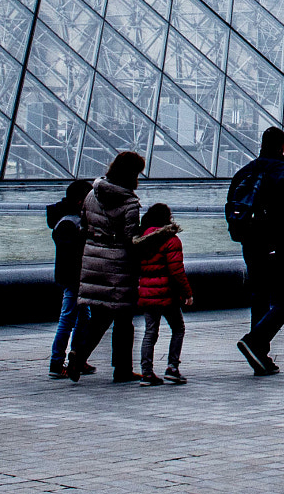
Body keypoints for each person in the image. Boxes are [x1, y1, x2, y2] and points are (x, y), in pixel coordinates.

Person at [229, 126, 284, 376]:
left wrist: (242, 237)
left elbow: (233, 207)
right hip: (279, 244)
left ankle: (259, 356)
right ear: (283, 146)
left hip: (251, 245)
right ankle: (255, 342)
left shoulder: (244, 172)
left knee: (260, 296)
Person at [68, 150, 149, 384]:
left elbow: (84, 225)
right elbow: (131, 238)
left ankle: (79, 353)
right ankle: (122, 369)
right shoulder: (130, 202)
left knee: (100, 317)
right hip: (119, 266)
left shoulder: (92, 194)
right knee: (124, 321)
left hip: (93, 261)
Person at [136, 202, 191, 385]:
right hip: (167, 294)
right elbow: (176, 271)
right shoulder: (171, 239)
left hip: (146, 292)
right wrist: (187, 293)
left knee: (150, 332)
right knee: (178, 328)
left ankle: (146, 373)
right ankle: (172, 368)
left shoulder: (142, 240)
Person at [46, 178, 92, 378]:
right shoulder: (70, 223)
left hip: (73, 277)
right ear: (80, 201)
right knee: (68, 319)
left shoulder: (65, 220)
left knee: (83, 317)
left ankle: (77, 359)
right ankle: (56, 363)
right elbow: (73, 254)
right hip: (75, 278)